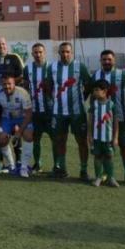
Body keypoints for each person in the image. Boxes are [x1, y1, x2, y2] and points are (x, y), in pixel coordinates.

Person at [45, 42, 92, 180]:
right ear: (58, 53)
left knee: (81, 141)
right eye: (62, 52)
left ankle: (83, 170)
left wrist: (83, 97)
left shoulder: (80, 66)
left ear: (72, 53)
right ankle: (62, 169)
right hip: (58, 112)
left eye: (67, 52)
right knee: (59, 140)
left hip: (77, 112)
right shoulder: (52, 67)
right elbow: (48, 85)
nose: (65, 54)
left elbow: (88, 84)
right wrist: (53, 99)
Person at [93, 49, 125, 184]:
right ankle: (105, 173)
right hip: (101, 119)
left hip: (120, 117)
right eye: (104, 59)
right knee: (103, 147)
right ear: (100, 61)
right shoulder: (96, 75)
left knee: (124, 145)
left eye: (109, 59)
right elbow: (92, 95)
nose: (107, 62)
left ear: (114, 60)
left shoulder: (123, 75)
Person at [0, 73, 35, 177]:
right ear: (1, 83)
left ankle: (24, 167)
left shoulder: (23, 93)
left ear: (14, 83)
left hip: (22, 118)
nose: (7, 86)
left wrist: (19, 132)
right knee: (2, 139)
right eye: (4, 84)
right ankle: (12, 166)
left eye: (9, 84)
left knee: (28, 135)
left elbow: (28, 113)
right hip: (7, 119)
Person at [23, 43, 53, 173]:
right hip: (34, 110)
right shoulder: (27, 68)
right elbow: (25, 87)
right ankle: (37, 163)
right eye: (35, 52)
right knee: (36, 139)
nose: (38, 54)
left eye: (40, 52)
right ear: (32, 54)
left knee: (55, 138)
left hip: (50, 110)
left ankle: (57, 165)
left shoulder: (52, 67)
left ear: (44, 52)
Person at [87, 79, 120, 188]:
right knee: (97, 157)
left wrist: (115, 137)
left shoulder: (111, 105)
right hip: (96, 138)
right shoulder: (94, 105)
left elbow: (115, 122)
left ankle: (111, 178)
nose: (94, 93)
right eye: (94, 90)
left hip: (108, 138)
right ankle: (98, 177)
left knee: (109, 156)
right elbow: (90, 121)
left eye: (97, 90)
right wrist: (90, 135)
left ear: (104, 91)